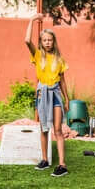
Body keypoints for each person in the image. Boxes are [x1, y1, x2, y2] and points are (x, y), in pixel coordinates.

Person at [24, 15, 70, 176]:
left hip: (56, 93)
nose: (48, 43)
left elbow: (63, 81)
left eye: (50, 40)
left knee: (57, 129)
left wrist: (67, 99)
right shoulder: (37, 55)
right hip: (43, 94)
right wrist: (32, 20)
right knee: (44, 128)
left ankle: (62, 165)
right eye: (45, 40)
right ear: (41, 42)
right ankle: (45, 160)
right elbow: (26, 40)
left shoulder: (59, 59)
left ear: (53, 41)